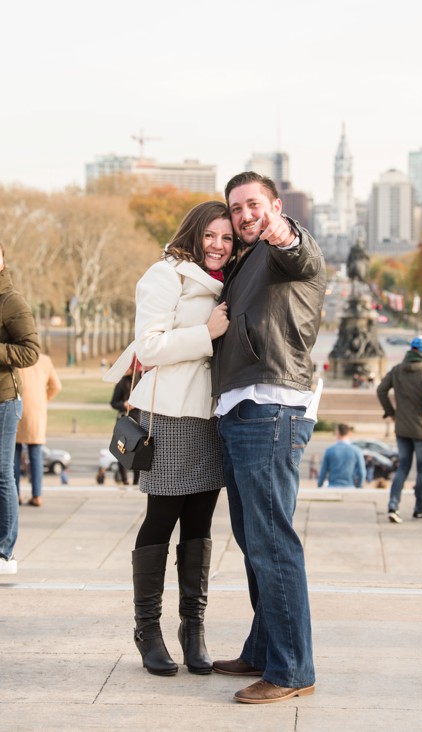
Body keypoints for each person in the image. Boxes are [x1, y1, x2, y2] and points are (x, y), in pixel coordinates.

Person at [101, 201, 233, 676]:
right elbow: (149, 346)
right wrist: (206, 332)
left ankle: (192, 628)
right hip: (173, 413)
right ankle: (147, 629)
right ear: (194, 233)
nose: (218, 245)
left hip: (213, 416)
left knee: (200, 524)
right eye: (211, 235)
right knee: (162, 517)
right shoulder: (166, 275)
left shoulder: (229, 280)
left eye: (227, 238)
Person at [209, 172, 326, 704]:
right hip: (241, 407)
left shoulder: (284, 247)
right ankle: (263, 647)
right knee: (255, 538)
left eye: (254, 204)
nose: (244, 215)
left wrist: (283, 231)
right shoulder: (245, 263)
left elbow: (299, 253)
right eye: (236, 208)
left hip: (271, 405)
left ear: (275, 206)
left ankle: (292, 669)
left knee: (273, 540)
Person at [0, 243, 40, 575]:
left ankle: (4, 552)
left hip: (4, 401)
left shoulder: (11, 301)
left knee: (3, 474)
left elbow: (30, 352)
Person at [376, 335, 422, 523]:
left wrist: (390, 412)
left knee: (403, 468)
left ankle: (393, 506)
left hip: (402, 427)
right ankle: (420, 508)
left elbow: (381, 390)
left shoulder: (397, 369)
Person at [16, 353, 61, 506]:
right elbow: (56, 386)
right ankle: (37, 495)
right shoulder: (44, 360)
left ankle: (15, 495)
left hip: (16, 406)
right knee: (35, 455)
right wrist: (44, 398)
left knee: (13, 456)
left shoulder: (16, 357)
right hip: (37, 410)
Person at [317, 423, 365, 488]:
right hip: (350, 487)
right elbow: (362, 473)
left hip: (332, 487)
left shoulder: (329, 450)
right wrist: (358, 486)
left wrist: (319, 484)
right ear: (349, 433)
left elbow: (323, 472)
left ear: (337, 433)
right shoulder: (356, 451)